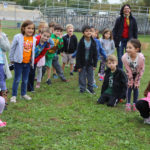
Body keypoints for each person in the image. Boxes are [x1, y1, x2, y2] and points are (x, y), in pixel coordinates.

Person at [9, 20, 36, 103]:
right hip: (18, 63)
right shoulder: (18, 37)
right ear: (23, 28)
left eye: (32, 28)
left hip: (27, 63)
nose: (30, 30)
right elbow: (12, 48)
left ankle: (23, 94)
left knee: (25, 80)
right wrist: (11, 59)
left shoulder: (34, 39)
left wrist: (32, 62)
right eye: (28, 28)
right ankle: (14, 96)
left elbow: (32, 51)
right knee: (17, 79)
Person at [122, 39, 145, 111]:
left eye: (130, 48)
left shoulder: (141, 58)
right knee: (129, 87)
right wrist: (131, 81)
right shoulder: (124, 57)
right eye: (127, 47)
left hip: (138, 73)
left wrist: (137, 81)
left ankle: (135, 103)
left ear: (136, 49)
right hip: (130, 74)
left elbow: (141, 70)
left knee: (136, 87)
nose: (127, 49)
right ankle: (128, 103)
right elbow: (127, 69)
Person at [113, 4, 138, 69]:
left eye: (128, 8)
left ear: (130, 10)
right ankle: (121, 71)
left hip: (129, 41)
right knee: (120, 56)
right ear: (123, 10)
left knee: (129, 56)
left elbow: (135, 30)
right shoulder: (119, 19)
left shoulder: (133, 19)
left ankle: (129, 71)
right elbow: (115, 30)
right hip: (120, 40)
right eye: (125, 8)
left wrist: (135, 42)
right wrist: (115, 40)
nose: (126, 10)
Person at [76, 25, 97, 94]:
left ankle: (90, 88)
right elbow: (78, 55)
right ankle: (82, 88)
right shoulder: (81, 42)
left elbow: (95, 54)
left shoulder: (93, 42)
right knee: (82, 76)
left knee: (90, 76)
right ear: (83, 33)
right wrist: (78, 66)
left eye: (90, 31)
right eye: (86, 31)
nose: (89, 32)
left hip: (90, 63)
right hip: (82, 63)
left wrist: (95, 64)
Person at [0, 24, 11, 109]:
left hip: (1, 63)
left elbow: (7, 48)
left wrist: (0, 38)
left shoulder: (3, 36)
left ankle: (4, 100)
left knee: (2, 81)